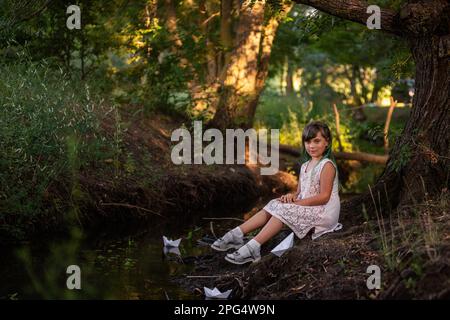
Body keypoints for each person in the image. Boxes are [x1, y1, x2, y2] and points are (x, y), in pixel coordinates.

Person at [211, 121, 342, 265]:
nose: (311, 146)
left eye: (317, 141)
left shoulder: (327, 165)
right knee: (275, 203)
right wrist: (291, 197)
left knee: (283, 210)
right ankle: (236, 234)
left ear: (327, 143)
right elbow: (300, 192)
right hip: (309, 206)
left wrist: (296, 203)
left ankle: (253, 247)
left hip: (324, 213)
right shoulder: (305, 165)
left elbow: (324, 197)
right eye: (308, 141)